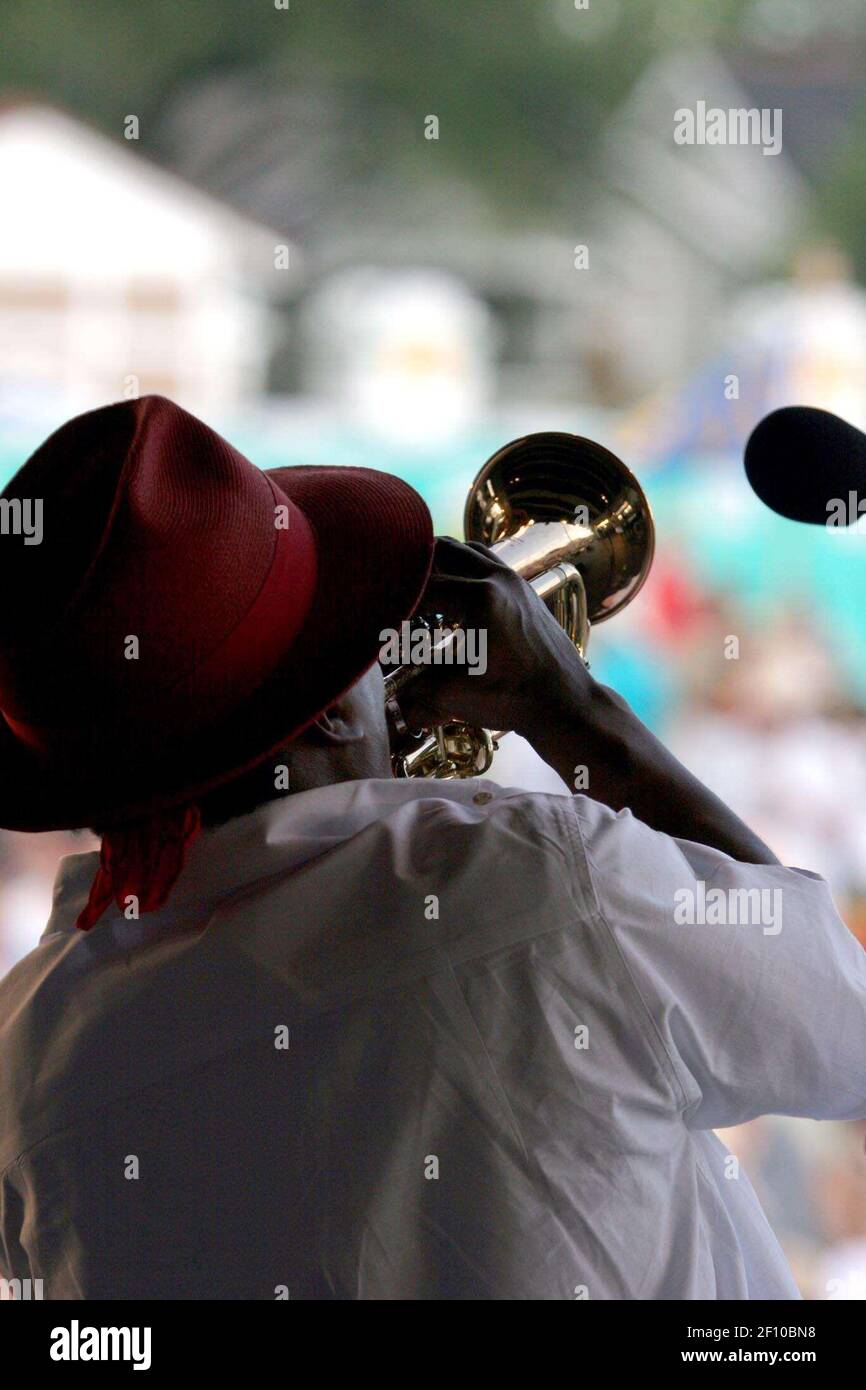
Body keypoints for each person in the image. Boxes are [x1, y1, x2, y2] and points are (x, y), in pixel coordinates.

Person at [0, 396, 864, 1300]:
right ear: (332, 708)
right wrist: (575, 716)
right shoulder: (539, 877)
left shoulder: (35, 1054)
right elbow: (848, 1028)